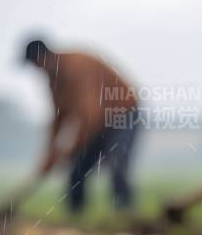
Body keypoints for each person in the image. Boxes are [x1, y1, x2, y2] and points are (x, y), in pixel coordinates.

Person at [21, 39, 141, 215]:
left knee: (117, 165)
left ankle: (125, 215)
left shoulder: (77, 67)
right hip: (96, 122)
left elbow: (90, 114)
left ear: (43, 58)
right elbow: (59, 118)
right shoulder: (54, 81)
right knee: (77, 169)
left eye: (36, 65)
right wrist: (50, 153)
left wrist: (70, 150)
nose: (37, 70)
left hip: (123, 114)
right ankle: (76, 215)